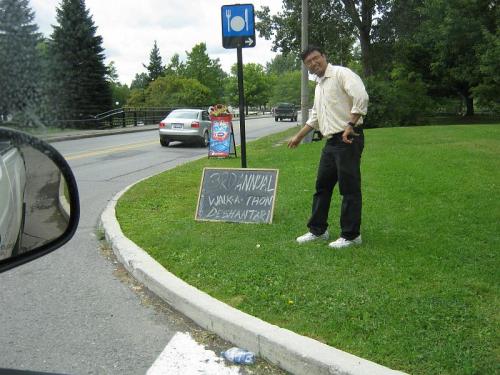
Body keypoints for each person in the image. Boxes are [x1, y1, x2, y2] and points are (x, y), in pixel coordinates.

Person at [288, 46, 369, 249]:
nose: (314, 63)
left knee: (349, 189)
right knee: (322, 187)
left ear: (324, 57)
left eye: (316, 58)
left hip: (348, 138)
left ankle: (351, 236)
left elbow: (361, 97)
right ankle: (318, 231)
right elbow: (315, 116)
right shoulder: (319, 86)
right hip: (331, 142)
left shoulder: (342, 74)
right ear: (307, 67)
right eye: (309, 62)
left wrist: (350, 124)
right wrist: (299, 136)